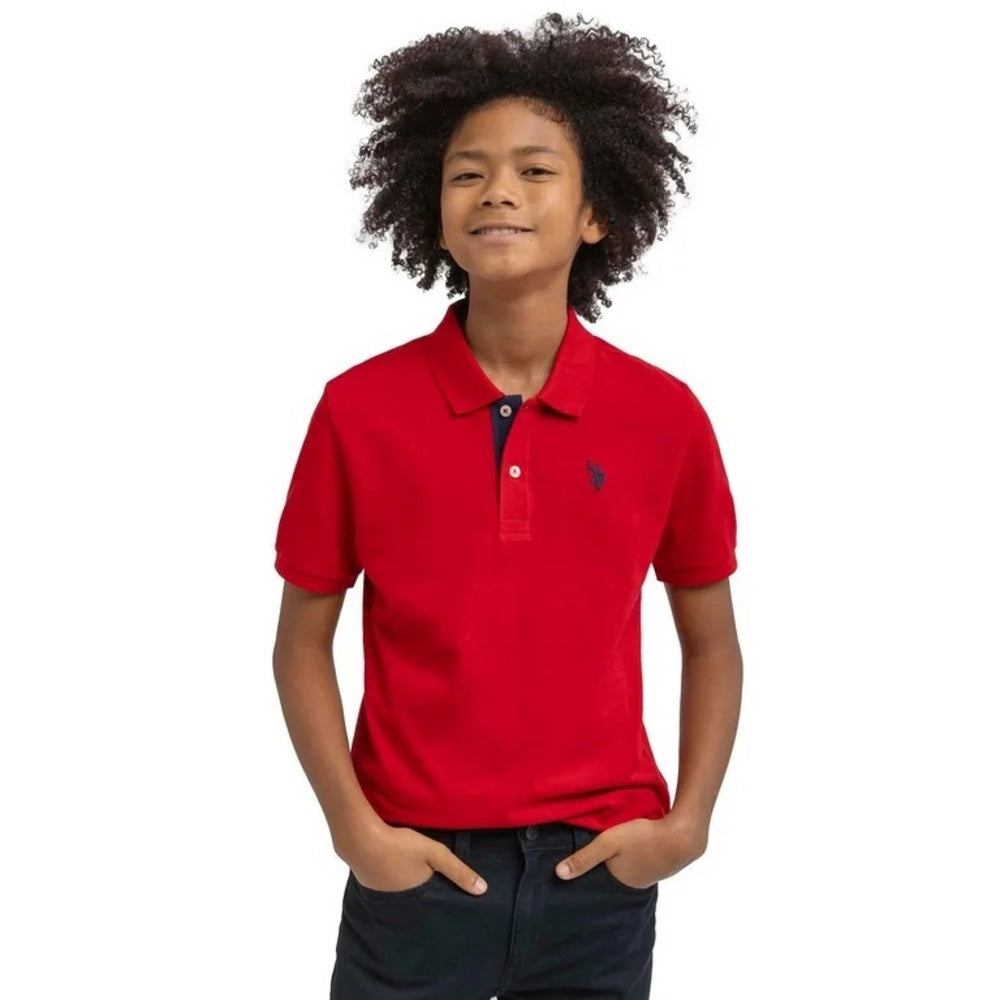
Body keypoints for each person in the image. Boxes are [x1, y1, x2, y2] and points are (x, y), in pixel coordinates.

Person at [271, 13, 743, 999]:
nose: (497, 190)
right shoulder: (357, 408)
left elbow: (710, 640)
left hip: (600, 873)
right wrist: (354, 830)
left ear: (595, 212)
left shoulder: (664, 414)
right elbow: (300, 643)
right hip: (414, 870)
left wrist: (688, 824)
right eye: (467, 172)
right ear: (434, 210)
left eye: (535, 170)